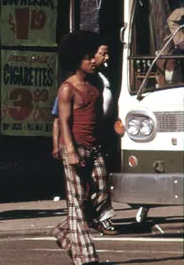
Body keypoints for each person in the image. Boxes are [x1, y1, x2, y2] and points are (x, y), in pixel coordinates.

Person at [51, 30, 116, 265]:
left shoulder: (95, 86)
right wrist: (69, 150)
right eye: (88, 57)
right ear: (76, 60)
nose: (92, 61)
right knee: (77, 202)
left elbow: (97, 118)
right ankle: (85, 257)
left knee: (100, 192)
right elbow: (63, 122)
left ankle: (62, 232)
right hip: (75, 147)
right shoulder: (67, 89)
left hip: (95, 147)